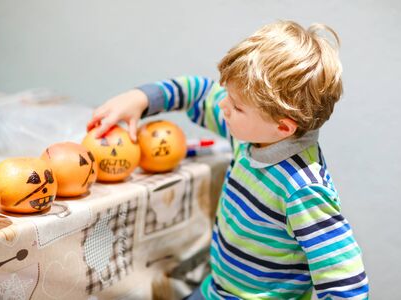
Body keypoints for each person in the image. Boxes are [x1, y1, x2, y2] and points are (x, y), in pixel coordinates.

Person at [87, 20, 369, 300]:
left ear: (284, 127)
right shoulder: (254, 135)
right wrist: (141, 98)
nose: (224, 105)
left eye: (236, 106)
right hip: (217, 289)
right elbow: (199, 93)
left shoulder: (303, 189)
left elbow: (345, 283)